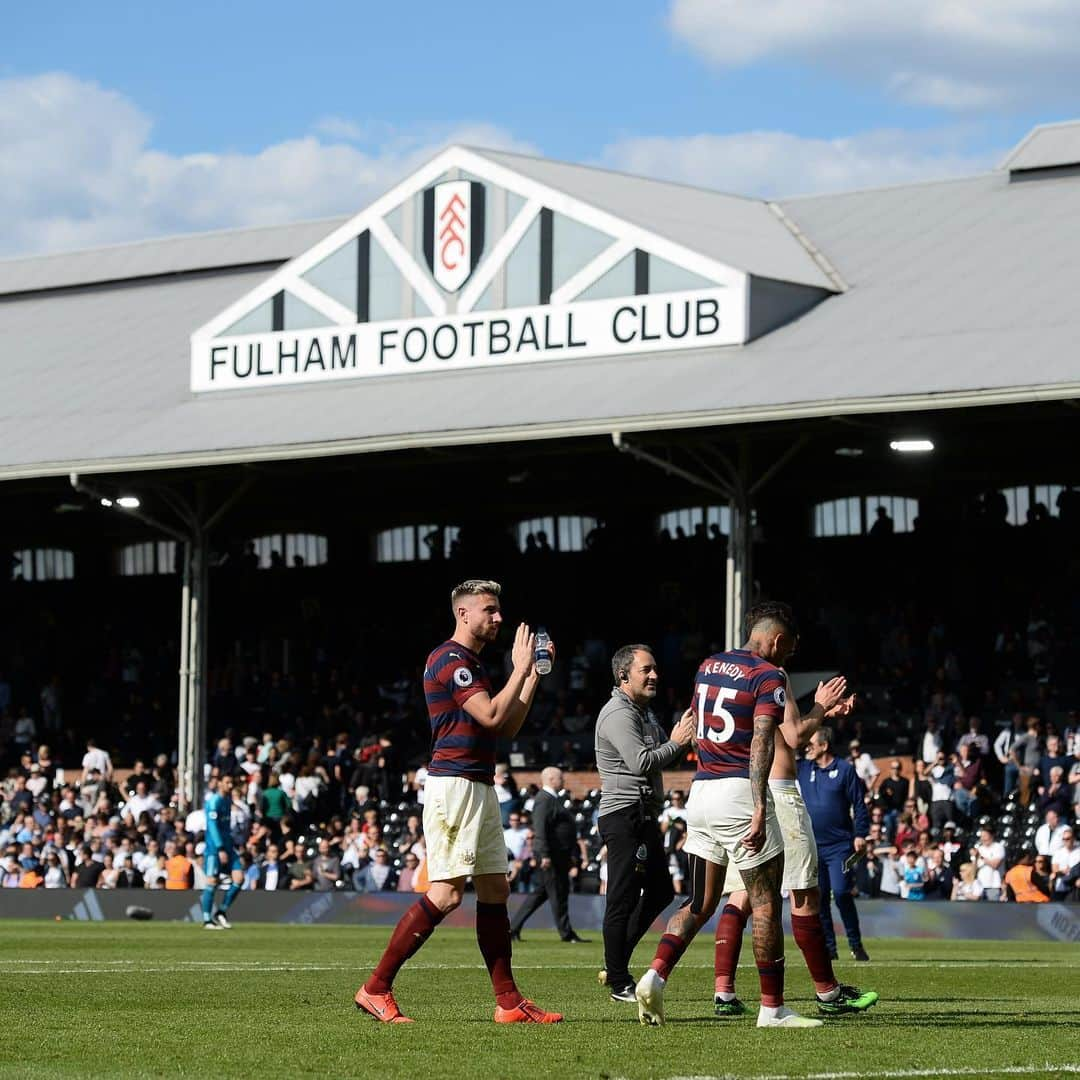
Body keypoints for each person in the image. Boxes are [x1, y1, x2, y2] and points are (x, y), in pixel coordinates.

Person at [636, 604, 876, 1028]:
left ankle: (656, 975)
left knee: (701, 901)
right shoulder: (768, 674)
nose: (787, 660)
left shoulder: (709, 665)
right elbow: (767, 738)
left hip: (702, 789)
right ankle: (774, 1007)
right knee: (767, 904)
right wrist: (760, 803)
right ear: (778, 641)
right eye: (788, 650)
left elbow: (698, 723)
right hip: (741, 791)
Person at [355, 579, 561, 1025]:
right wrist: (517, 668)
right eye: (490, 609)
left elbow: (504, 728)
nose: (499, 617)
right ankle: (375, 988)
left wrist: (529, 674)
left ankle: (508, 1002)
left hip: (479, 783)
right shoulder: (449, 659)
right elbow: (490, 714)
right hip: (454, 786)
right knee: (447, 894)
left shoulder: (474, 664)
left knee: (495, 889)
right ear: (463, 613)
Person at [687, 675, 878, 1021]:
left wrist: (822, 714)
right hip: (779, 794)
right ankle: (827, 991)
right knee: (804, 895)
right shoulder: (770, 677)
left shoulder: (727, 682)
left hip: (739, 794)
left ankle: (723, 991)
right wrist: (820, 705)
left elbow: (780, 730)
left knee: (741, 895)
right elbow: (793, 736)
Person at [594, 644, 695, 1004]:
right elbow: (640, 762)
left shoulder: (644, 713)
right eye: (646, 670)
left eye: (655, 669)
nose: (654, 675)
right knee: (621, 898)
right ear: (624, 676)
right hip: (624, 814)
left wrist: (681, 740)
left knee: (661, 892)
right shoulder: (618, 714)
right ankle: (619, 979)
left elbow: (663, 753)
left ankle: (615, 962)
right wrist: (677, 742)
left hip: (643, 813)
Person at [799, 726, 871, 961]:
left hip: (840, 846)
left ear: (824, 745)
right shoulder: (804, 767)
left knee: (841, 893)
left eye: (812, 742)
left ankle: (855, 944)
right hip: (813, 846)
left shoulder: (845, 770)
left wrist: (860, 833)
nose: (807, 746)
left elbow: (859, 804)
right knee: (819, 900)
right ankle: (829, 948)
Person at [510, 766, 586, 943]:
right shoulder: (544, 799)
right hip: (550, 856)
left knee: (541, 893)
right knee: (558, 893)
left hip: (557, 855)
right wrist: (544, 855)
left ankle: (512, 928)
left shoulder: (551, 798)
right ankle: (566, 933)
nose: (563, 781)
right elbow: (540, 828)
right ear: (551, 779)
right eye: (561, 778)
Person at [201, 774, 243, 929]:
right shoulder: (214, 801)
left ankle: (221, 911)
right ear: (219, 783)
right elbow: (212, 827)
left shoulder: (227, 800)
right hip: (214, 849)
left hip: (228, 846)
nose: (230, 785)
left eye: (232, 782)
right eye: (227, 782)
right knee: (212, 882)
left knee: (239, 878)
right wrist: (219, 848)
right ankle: (206, 920)